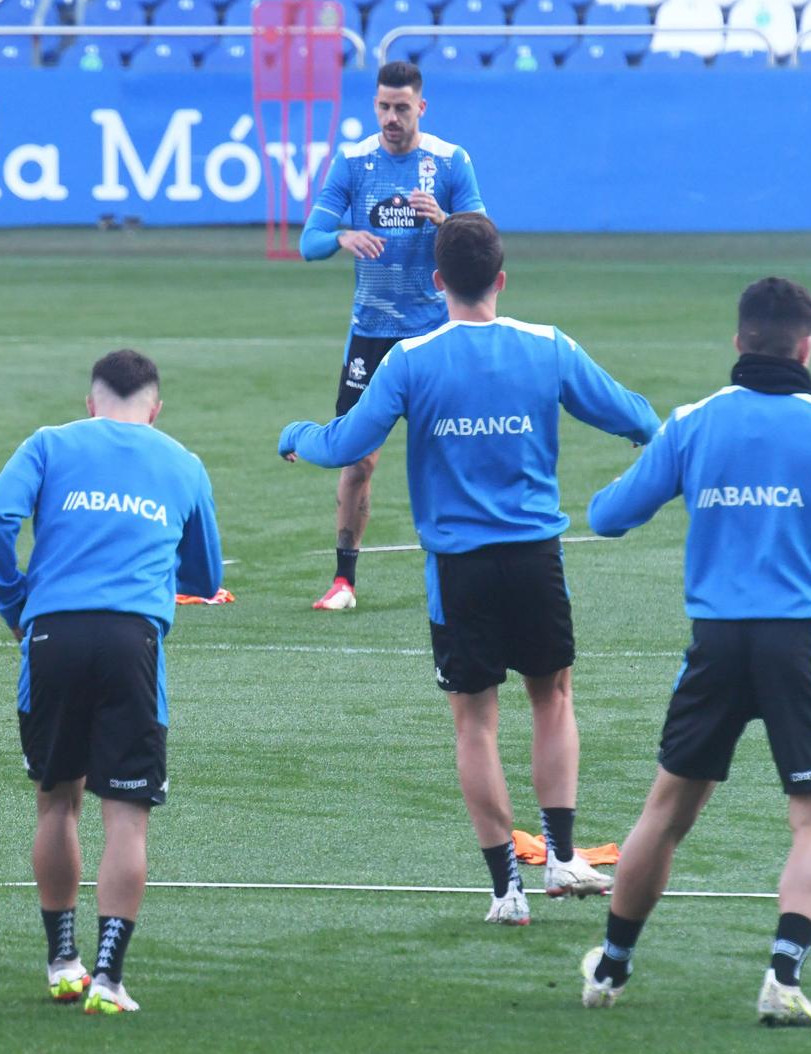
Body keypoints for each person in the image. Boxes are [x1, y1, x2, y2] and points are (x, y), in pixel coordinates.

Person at [278, 214, 657, 925]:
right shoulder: (548, 346)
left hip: (458, 568)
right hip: (535, 558)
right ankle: (564, 855)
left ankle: (505, 887)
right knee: (553, 699)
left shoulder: (413, 358)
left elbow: (343, 444)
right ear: (503, 279)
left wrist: (295, 436)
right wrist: (655, 439)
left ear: (438, 281)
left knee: (475, 725)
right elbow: (632, 415)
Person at [579, 278, 811, 1026]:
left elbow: (607, 516)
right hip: (800, 646)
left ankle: (611, 965)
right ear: (806, 347)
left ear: (739, 341)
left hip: (715, 645)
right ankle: (783, 973)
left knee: (665, 813)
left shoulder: (692, 422)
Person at [0, 349, 223, 1016]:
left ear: (91, 403)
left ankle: (63, 963)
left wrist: (14, 601)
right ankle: (110, 980)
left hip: (52, 634)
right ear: (156, 407)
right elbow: (204, 575)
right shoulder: (183, 461)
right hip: (131, 640)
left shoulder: (50, 443)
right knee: (127, 815)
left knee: (56, 801)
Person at [297, 60, 485, 613]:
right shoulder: (354, 163)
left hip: (434, 336)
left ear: (420, 108)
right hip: (371, 336)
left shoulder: (450, 161)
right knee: (357, 458)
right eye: (383, 106)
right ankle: (343, 581)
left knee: (450, 455)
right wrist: (343, 236)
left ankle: (463, 575)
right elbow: (308, 242)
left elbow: (485, 240)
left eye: (402, 108)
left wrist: (445, 220)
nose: (391, 117)